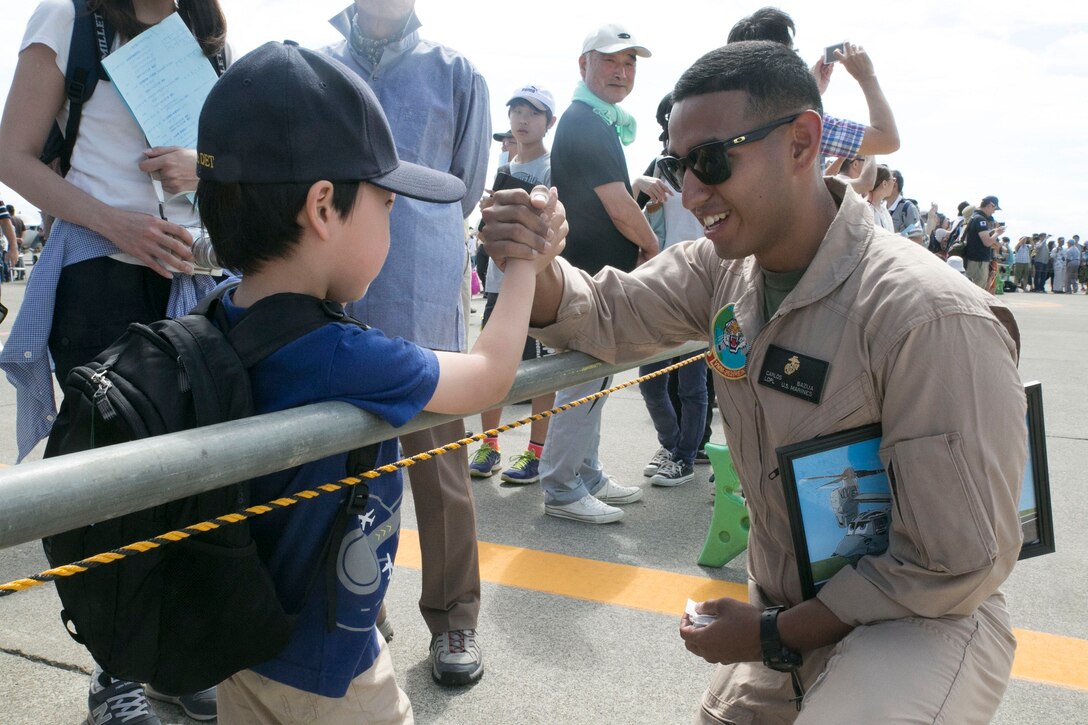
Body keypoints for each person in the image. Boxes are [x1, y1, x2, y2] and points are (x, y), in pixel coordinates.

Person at [482, 40, 1025, 723]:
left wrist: (770, 634)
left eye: (711, 161)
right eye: (678, 166)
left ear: (802, 142)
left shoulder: (927, 315)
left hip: (921, 620)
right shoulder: (722, 272)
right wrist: (537, 258)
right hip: (792, 618)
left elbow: (953, 563)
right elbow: (605, 312)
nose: (690, 192)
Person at [194, 41, 559, 722]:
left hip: (235, 643)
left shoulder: (210, 314)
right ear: (324, 207)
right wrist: (526, 267)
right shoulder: (345, 353)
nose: (395, 220)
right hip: (333, 669)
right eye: (389, 204)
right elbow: (488, 375)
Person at [0, 1, 229, 721]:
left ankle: (179, 655)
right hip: (98, 277)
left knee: (194, 475)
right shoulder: (69, 16)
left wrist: (206, 167)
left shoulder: (208, 29)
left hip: (193, 280)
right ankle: (115, 669)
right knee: (110, 485)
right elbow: (10, 153)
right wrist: (110, 218)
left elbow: (237, 156)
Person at [322, 0, 492, 686]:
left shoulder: (456, 72)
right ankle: (360, 607)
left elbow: (467, 184)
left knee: (441, 472)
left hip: (421, 293)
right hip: (333, 290)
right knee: (335, 470)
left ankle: (455, 616)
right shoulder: (320, 65)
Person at [538, 22, 658, 524]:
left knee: (595, 382)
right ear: (583, 64)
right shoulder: (587, 121)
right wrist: (654, 248)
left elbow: (607, 190)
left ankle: (585, 473)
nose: (621, 70)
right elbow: (617, 206)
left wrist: (637, 183)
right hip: (586, 278)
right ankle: (563, 487)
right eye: (610, 59)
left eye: (630, 62)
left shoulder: (594, 121)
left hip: (591, 275)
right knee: (581, 383)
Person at [469, 85, 557, 485]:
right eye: (517, 111)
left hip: (537, 286)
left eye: (533, 113)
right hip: (496, 283)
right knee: (491, 367)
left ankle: (536, 453)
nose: (522, 119)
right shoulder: (504, 162)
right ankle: (490, 445)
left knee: (540, 372)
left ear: (549, 122)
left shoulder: (552, 167)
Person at [632, 92, 708, 487]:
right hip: (661, 284)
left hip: (703, 284)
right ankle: (674, 444)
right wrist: (639, 186)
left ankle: (684, 456)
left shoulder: (710, 160)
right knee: (650, 378)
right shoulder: (657, 167)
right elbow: (639, 221)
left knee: (692, 384)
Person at [727, 7, 900, 160]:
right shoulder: (803, 124)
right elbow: (887, 140)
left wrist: (811, 93)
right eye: (792, 52)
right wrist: (867, 77)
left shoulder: (717, 114)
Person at [962, 195, 1005, 290]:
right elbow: (987, 242)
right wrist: (997, 233)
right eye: (995, 208)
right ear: (990, 205)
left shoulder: (974, 217)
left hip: (973, 260)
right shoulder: (981, 219)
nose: (994, 211)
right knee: (977, 290)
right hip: (978, 262)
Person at [886, 170, 921, 237]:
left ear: (895, 185)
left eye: (886, 182)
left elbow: (917, 238)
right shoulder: (881, 206)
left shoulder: (908, 209)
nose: (882, 185)